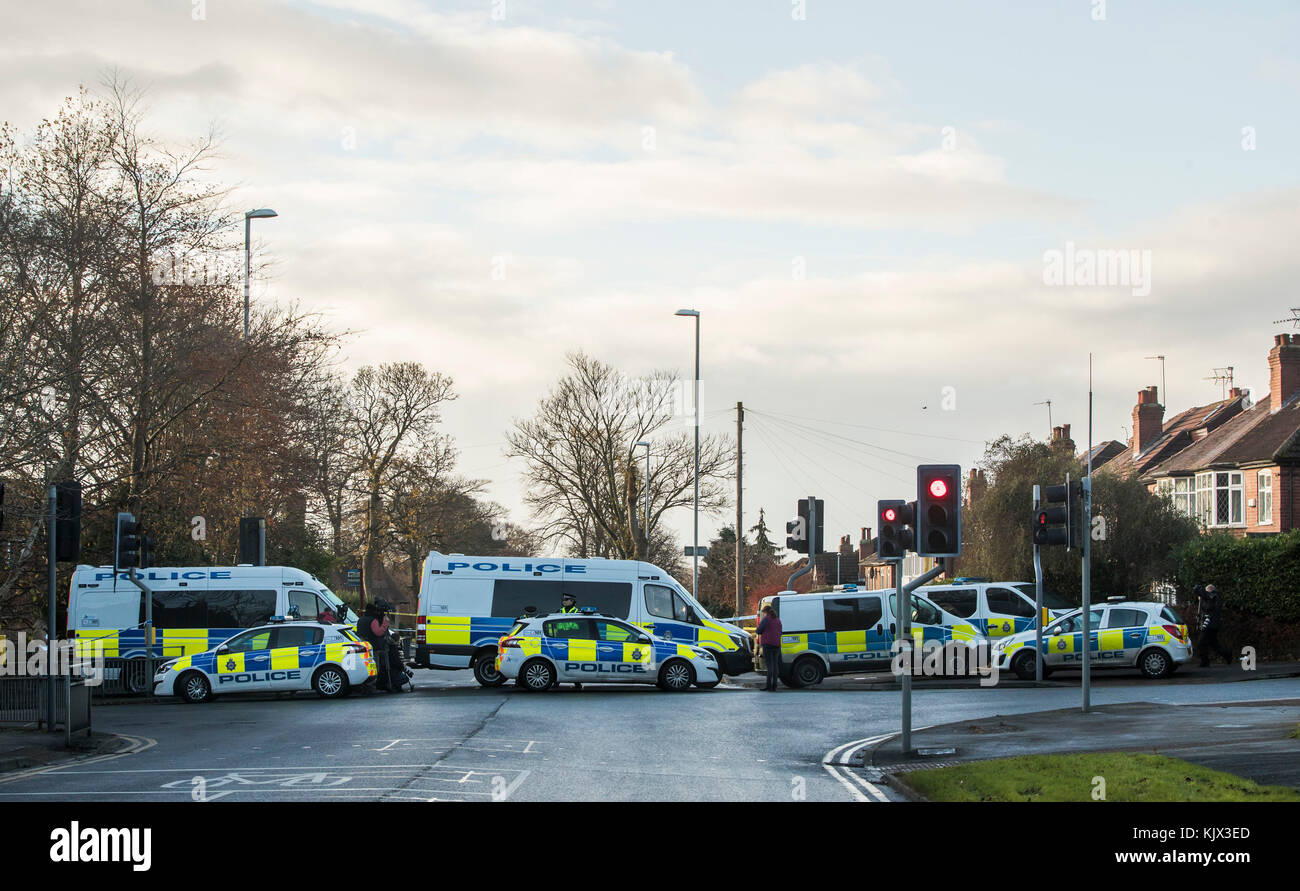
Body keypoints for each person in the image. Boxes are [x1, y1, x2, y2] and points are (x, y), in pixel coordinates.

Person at [357, 598, 404, 692]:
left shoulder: (361, 619)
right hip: (375, 647)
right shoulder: (373, 620)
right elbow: (378, 632)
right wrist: (385, 624)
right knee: (376, 668)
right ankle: (371, 687)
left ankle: (365, 686)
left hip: (364, 646)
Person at [1197, 584, 1232, 667]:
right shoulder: (1216, 598)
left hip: (1209, 624)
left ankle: (1205, 662)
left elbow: (1208, 608)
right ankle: (1227, 655)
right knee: (1214, 644)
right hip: (1213, 624)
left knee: (1201, 643)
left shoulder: (1213, 597)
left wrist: (1202, 599)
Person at [558, 592, 583, 688]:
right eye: (563, 600)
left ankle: (577, 681)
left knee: (574, 661)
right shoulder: (559, 611)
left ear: (572, 601)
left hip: (573, 640)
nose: (563, 602)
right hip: (560, 640)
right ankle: (557, 681)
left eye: (566, 600)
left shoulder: (578, 612)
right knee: (560, 660)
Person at [757, 604, 783, 691]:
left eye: (763, 613)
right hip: (777, 645)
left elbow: (759, 630)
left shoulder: (766, 619)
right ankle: (774, 685)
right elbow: (780, 632)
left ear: (766, 612)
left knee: (769, 666)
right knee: (775, 665)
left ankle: (768, 685)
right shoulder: (778, 620)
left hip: (767, 644)